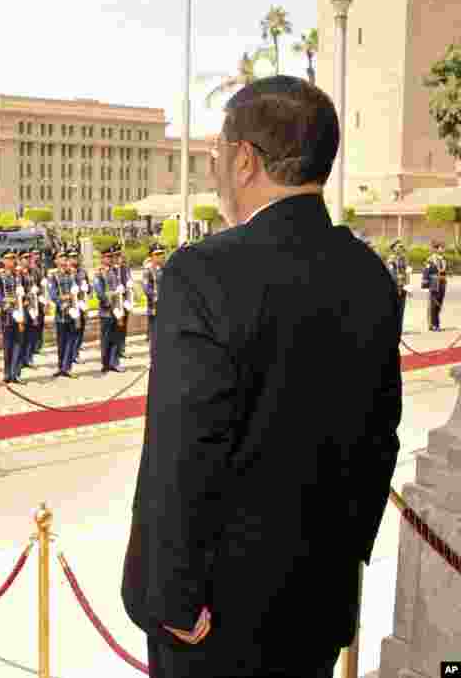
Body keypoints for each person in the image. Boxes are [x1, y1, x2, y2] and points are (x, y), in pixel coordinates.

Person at [122, 76, 402, 677]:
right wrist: (339, 562)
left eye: (218, 154)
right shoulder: (370, 276)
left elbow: (184, 446)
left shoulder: (203, 273)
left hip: (213, 617)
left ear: (245, 159)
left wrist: (169, 592)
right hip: (317, 600)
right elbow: (381, 441)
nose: (216, 169)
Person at [0, 249, 27, 384]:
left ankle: (16, 373)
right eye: (8, 259)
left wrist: (25, 300)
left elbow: (27, 290)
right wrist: (4, 304)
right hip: (7, 314)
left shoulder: (19, 275)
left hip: (18, 313)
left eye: (13, 259)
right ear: (4, 261)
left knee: (19, 343)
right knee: (8, 345)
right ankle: (7, 373)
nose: (10, 262)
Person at [93, 245, 127, 373]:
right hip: (106, 311)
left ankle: (114, 362)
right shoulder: (99, 273)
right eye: (108, 257)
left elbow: (119, 288)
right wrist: (110, 303)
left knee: (116, 338)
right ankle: (105, 363)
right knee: (106, 339)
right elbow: (99, 292)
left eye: (111, 257)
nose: (111, 259)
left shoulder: (114, 271)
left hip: (116, 310)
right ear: (102, 258)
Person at [47, 249, 78, 379]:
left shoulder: (71, 274)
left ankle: (67, 367)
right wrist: (61, 303)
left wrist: (72, 301)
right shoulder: (53, 276)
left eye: (65, 258)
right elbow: (52, 294)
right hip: (61, 313)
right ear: (56, 261)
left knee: (71, 341)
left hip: (71, 311)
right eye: (61, 258)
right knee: (61, 342)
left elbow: (76, 291)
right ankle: (61, 367)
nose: (64, 260)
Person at [141, 243, 166, 351]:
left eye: (161, 254)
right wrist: (157, 297)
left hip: (166, 306)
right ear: (151, 256)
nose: (160, 256)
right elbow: (146, 289)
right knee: (154, 336)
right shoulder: (148, 270)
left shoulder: (165, 268)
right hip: (154, 307)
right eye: (157, 254)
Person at [423, 241, 448, 331]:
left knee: (439, 304)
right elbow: (426, 272)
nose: (443, 249)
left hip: (442, 284)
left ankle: (436, 323)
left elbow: (444, 271)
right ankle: (433, 324)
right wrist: (425, 286)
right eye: (441, 248)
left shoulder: (444, 259)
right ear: (436, 249)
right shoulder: (431, 259)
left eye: (443, 248)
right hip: (434, 284)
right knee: (433, 304)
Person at [385, 240, 409, 323]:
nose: (400, 248)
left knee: (402, 307)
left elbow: (406, 271)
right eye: (398, 247)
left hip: (403, 285)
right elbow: (390, 272)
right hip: (394, 285)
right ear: (394, 248)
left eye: (401, 247)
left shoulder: (403, 258)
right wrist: (397, 278)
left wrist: (407, 284)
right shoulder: (391, 259)